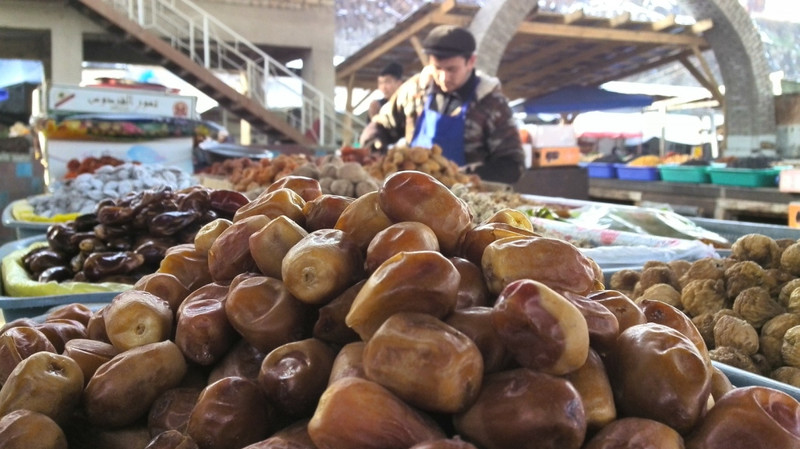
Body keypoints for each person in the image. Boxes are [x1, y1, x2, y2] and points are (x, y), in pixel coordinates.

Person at [359, 25, 525, 184]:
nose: (444, 77)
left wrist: (461, 176)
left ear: (471, 61)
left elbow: (511, 165)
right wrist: (375, 148)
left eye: (452, 69)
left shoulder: (491, 103)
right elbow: (380, 125)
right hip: (412, 194)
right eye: (437, 68)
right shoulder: (415, 91)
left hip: (466, 201)